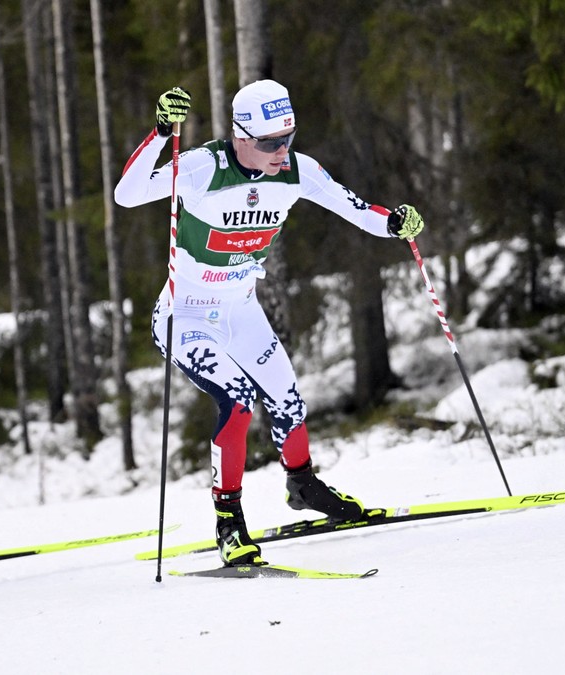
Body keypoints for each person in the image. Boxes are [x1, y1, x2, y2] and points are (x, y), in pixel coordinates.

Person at [114, 80, 425, 566]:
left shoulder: (297, 171)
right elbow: (127, 195)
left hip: (240, 308)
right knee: (237, 401)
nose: (282, 151)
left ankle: (302, 485)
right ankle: (228, 522)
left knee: (286, 395)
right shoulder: (202, 167)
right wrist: (159, 132)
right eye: (269, 143)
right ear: (240, 137)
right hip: (185, 316)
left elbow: (356, 209)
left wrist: (393, 222)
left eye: (289, 138)